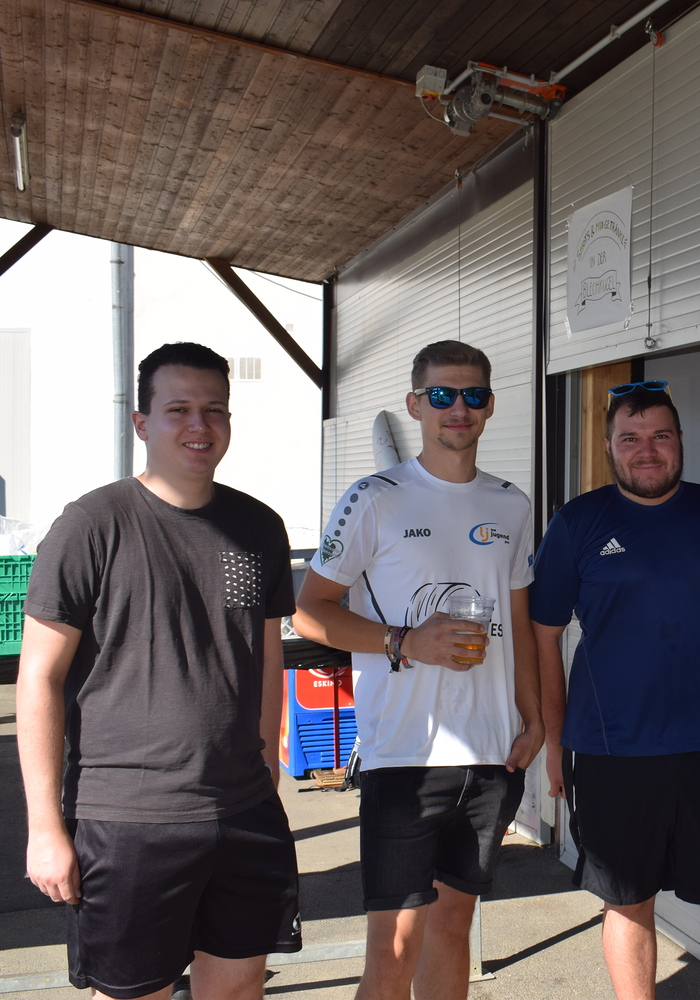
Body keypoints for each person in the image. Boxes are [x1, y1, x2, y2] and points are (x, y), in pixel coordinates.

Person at [17, 342, 300, 1000]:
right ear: (142, 423)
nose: (200, 425)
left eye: (214, 410)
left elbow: (266, 656)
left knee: (240, 985)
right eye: (178, 409)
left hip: (243, 809)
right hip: (128, 819)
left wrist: (267, 771)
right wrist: (44, 828)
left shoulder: (258, 527)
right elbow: (38, 679)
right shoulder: (91, 525)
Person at [292, 340, 541, 1000]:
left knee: (452, 930)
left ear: (490, 406)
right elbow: (310, 613)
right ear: (415, 404)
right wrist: (404, 642)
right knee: (394, 944)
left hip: (491, 753)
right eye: (441, 395)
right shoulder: (374, 498)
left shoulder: (512, 505)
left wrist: (535, 718)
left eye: (472, 395)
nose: (458, 408)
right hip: (405, 755)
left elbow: (518, 625)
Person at [528, 381, 700, 1000]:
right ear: (610, 447)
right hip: (610, 750)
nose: (646, 450)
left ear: (680, 441)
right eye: (630, 439)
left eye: (660, 436)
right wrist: (554, 745)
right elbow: (543, 639)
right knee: (627, 902)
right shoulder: (577, 522)